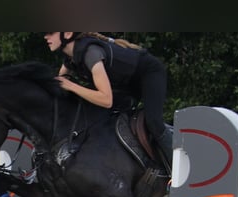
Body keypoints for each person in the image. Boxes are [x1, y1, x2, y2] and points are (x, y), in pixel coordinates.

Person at [43, 32, 172, 171]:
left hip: (149, 73)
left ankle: (177, 169)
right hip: (126, 83)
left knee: (153, 122)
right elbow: (59, 85)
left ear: (67, 34)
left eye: (50, 33)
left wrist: (71, 86)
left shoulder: (90, 54)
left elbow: (106, 100)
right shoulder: (69, 56)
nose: (45, 37)